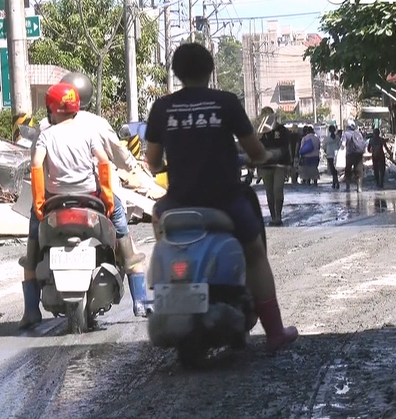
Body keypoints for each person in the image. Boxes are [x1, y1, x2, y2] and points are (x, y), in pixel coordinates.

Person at [144, 42, 298, 353]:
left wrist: (162, 166)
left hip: (178, 202)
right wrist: (264, 156)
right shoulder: (225, 102)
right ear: (210, 70)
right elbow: (254, 150)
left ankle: (169, 293)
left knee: (162, 232)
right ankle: (274, 332)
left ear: (176, 72)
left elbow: (153, 161)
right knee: (255, 254)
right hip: (225, 199)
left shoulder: (162, 107)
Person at [18, 83, 146, 329]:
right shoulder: (89, 131)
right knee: (120, 224)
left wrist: (39, 203)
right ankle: (139, 299)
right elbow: (104, 162)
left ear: (51, 109)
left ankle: (31, 309)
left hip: (55, 201)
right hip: (90, 197)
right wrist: (108, 198)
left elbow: (36, 165)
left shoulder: (46, 134)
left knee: (33, 239)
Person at [258, 115, 292, 226]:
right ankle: (273, 216)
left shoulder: (282, 130)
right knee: (269, 193)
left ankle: (278, 216)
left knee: (277, 191)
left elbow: (286, 148)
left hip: (279, 165)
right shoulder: (261, 131)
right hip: (265, 165)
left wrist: (289, 163)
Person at [343, 121, 367, 192]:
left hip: (349, 154)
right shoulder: (358, 133)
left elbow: (343, 144)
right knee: (359, 171)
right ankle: (359, 188)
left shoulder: (346, 134)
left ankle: (348, 187)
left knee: (348, 170)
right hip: (358, 154)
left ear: (347, 127)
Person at [323, 124, 341, 189]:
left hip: (329, 155)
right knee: (334, 169)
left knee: (332, 169)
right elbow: (340, 145)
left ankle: (336, 182)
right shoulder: (337, 138)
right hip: (336, 154)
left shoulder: (326, 138)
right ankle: (334, 182)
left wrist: (326, 151)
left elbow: (324, 146)